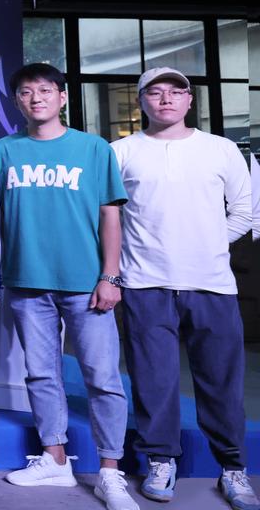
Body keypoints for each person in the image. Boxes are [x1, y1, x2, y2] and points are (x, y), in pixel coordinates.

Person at [0, 63, 136, 510]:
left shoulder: (94, 149)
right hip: (25, 281)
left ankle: (110, 471)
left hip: (85, 284)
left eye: (45, 90)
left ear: (62, 97)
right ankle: (54, 458)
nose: (36, 98)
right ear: (17, 100)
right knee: (41, 374)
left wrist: (110, 276)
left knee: (103, 377)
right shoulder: (3, 151)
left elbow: (111, 216)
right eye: (26, 91)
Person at [111, 67, 258, 510]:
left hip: (210, 283)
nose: (166, 99)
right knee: (153, 380)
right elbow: (109, 216)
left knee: (220, 381)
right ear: (141, 101)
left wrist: (209, 244)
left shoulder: (221, 149)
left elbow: (245, 211)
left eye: (176, 92)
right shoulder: (120, 151)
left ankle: (232, 468)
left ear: (190, 100)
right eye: (155, 92)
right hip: (144, 282)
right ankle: (160, 460)